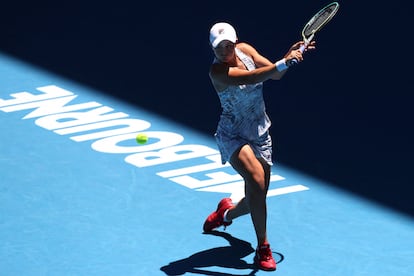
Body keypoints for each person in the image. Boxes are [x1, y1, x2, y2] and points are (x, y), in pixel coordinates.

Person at [203, 22, 315, 271]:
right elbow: (255, 76)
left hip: (260, 132)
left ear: (235, 41)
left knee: (257, 194)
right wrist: (285, 61)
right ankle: (263, 247)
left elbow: (275, 73)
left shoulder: (246, 50)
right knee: (256, 180)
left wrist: (289, 56)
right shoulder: (217, 72)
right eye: (218, 47)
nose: (223, 50)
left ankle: (225, 215)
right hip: (233, 134)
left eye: (227, 45)